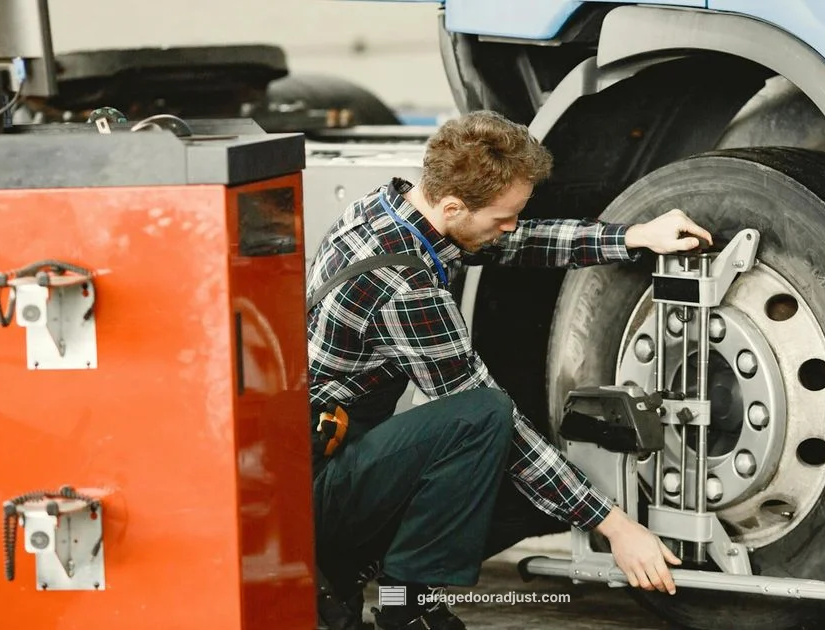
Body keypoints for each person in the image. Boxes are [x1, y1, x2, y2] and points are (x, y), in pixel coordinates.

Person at [306, 109, 713, 630]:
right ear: (453, 206)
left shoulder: (392, 209)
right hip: (315, 485)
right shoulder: (405, 289)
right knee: (484, 418)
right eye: (503, 216)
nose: (511, 227)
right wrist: (616, 527)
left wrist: (634, 236)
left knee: (535, 494)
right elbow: (495, 423)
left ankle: (364, 566)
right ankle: (404, 607)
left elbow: (517, 240)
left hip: (332, 451)